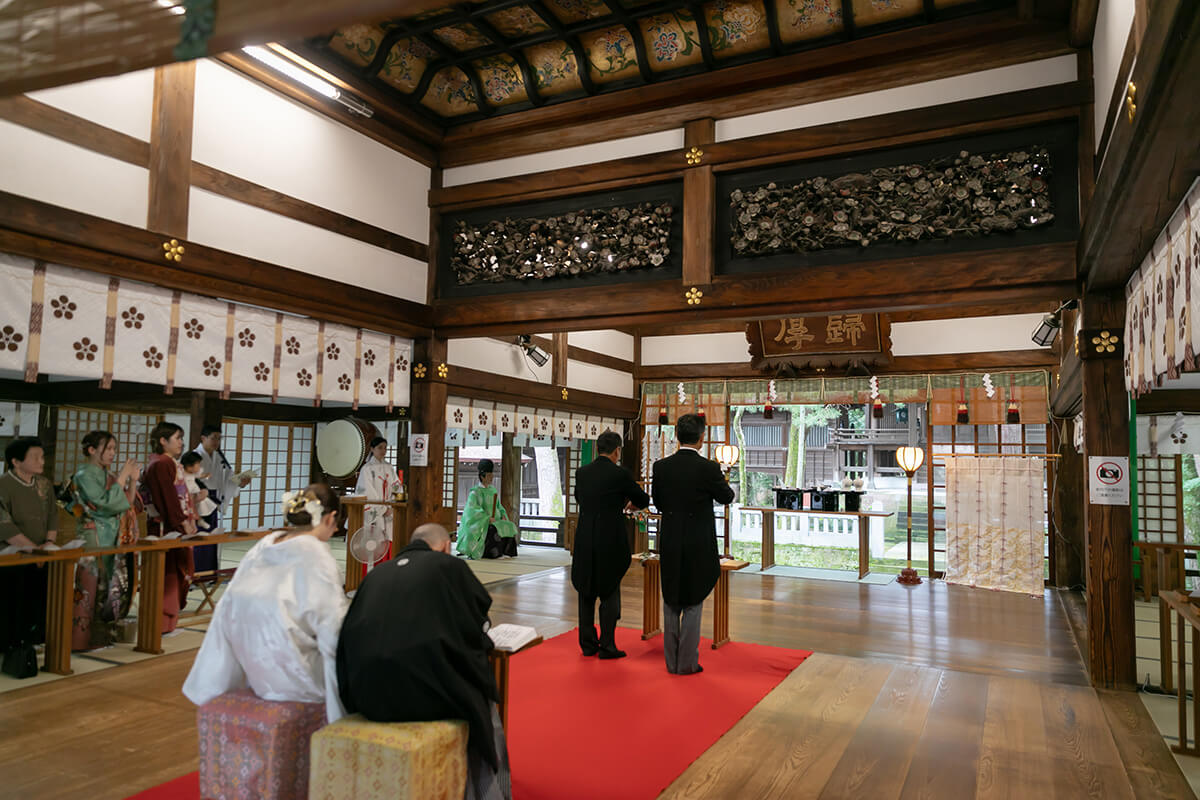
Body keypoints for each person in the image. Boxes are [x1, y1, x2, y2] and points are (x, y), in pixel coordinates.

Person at [338, 523, 510, 800]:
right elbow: (477, 617)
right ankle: (492, 792)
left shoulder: (377, 573)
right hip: (424, 696)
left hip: (365, 695)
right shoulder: (447, 566)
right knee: (485, 703)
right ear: (444, 546)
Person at [183, 484, 349, 722]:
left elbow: (228, 605)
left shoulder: (266, 544)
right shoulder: (317, 555)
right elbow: (332, 630)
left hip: (253, 669)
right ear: (331, 518)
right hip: (297, 676)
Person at [651, 414, 734, 676]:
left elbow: (659, 503)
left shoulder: (661, 467)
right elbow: (727, 497)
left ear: (677, 436)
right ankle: (686, 663)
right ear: (701, 438)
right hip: (698, 540)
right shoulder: (708, 468)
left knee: (671, 598)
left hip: (671, 538)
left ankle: (671, 662)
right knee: (694, 599)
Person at [571, 431, 649, 659]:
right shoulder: (620, 474)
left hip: (586, 536)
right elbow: (642, 499)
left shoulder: (582, 472)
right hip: (610, 537)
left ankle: (587, 644)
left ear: (597, 449)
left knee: (585, 590)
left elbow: (579, 498)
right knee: (610, 589)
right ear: (617, 451)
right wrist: (629, 504)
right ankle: (607, 645)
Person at [67, 431, 140, 650]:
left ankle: (104, 635)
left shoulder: (107, 475)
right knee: (91, 587)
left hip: (113, 536)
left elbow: (125, 502)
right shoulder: (83, 475)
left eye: (114, 449)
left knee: (112, 587)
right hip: (95, 535)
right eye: (108, 448)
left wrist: (133, 481)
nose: (112, 453)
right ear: (91, 450)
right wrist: (122, 476)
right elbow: (102, 504)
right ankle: (81, 639)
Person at [0, 438, 58, 662]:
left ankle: (36, 640)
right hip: (12, 553)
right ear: (16, 461)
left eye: (42, 456)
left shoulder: (43, 484)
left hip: (42, 550)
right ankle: (11, 644)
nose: (41, 461)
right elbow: (4, 525)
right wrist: (34, 550)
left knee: (41, 595)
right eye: (35, 457)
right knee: (13, 599)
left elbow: (53, 515)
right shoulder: (4, 484)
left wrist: (48, 544)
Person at [137, 421, 196, 634]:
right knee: (168, 573)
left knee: (171, 573)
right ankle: (161, 623)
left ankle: (167, 623)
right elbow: (168, 498)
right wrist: (181, 522)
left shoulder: (166, 463)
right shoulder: (162, 464)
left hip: (173, 523)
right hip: (167, 527)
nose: (181, 442)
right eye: (177, 438)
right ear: (163, 441)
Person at [191, 424, 250, 572]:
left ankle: (210, 572)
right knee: (199, 537)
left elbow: (228, 478)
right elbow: (188, 478)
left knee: (213, 537)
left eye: (219, 438)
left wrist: (240, 482)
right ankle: (197, 572)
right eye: (213, 438)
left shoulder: (218, 456)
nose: (216, 441)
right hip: (199, 499)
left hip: (214, 498)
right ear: (203, 438)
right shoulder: (195, 456)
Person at [352, 436, 399, 569]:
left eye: (385, 448)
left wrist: (392, 503)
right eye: (380, 448)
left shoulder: (389, 467)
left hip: (389, 508)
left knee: (387, 542)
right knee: (372, 544)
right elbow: (367, 492)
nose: (383, 451)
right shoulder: (367, 469)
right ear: (372, 449)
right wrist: (383, 509)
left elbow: (396, 486)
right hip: (376, 511)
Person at [456, 459, 516, 560]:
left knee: (509, 525)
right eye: (489, 475)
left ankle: (506, 552)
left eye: (492, 475)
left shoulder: (492, 490)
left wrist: (503, 515)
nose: (491, 477)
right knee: (493, 529)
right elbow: (473, 510)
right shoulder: (475, 492)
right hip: (481, 523)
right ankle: (493, 553)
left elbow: (499, 506)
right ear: (482, 476)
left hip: (494, 520)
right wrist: (487, 518)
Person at [180, 451, 217, 533]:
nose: (200, 467)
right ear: (189, 466)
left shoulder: (192, 473)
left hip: (195, 491)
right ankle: (198, 520)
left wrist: (206, 475)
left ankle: (199, 519)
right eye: (198, 464)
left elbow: (199, 475)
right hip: (186, 494)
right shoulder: (181, 473)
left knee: (202, 501)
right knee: (191, 507)